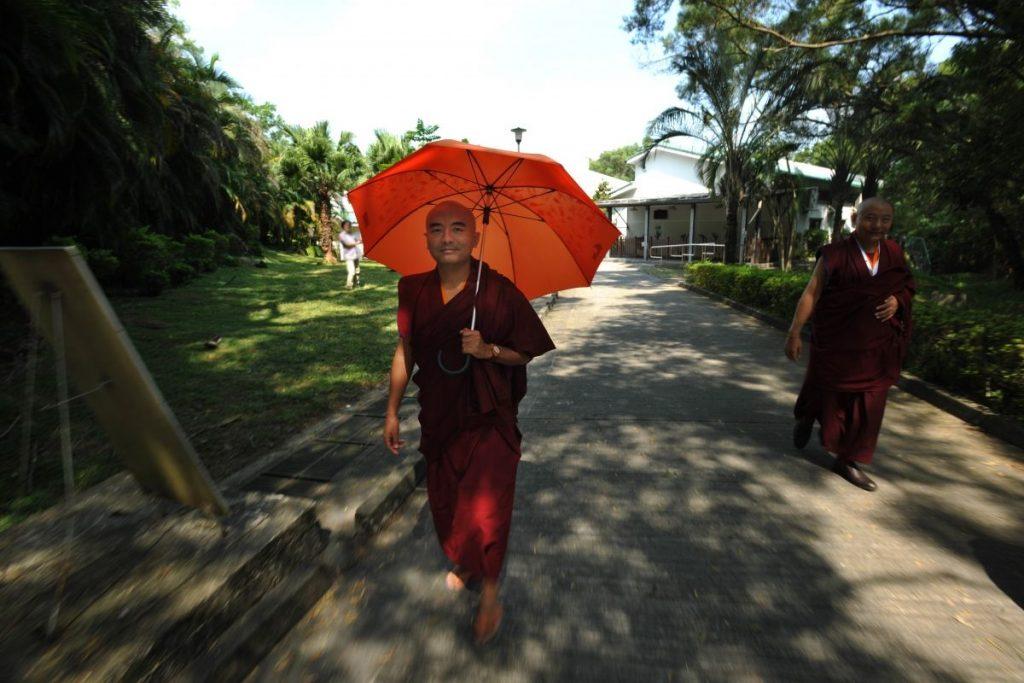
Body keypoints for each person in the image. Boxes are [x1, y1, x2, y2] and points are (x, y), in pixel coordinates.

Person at [382, 200, 555, 644]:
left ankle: (491, 593)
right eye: (437, 229)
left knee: (488, 509)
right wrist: (391, 409)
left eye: (458, 229)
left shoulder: (496, 291)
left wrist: (488, 351)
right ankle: (464, 559)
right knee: (447, 503)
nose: (447, 238)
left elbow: (526, 351)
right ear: (426, 239)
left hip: (488, 420)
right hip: (440, 419)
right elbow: (405, 351)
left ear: (475, 236)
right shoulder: (412, 289)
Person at [785, 196, 915, 491]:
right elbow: (811, 294)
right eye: (870, 218)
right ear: (855, 218)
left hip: (878, 347)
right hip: (837, 342)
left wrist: (897, 300)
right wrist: (794, 332)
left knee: (870, 404)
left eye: (885, 219)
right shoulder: (834, 254)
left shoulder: (894, 252)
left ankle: (848, 460)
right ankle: (808, 416)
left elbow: (906, 286)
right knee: (826, 391)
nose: (877, 225)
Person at [339, 219, 362, 288]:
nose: (349, 226)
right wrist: (357, 243)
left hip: (356, 255)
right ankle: (349, 285)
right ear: (343, 226)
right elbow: (346, 245)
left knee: (357, 271)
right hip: (349, 256)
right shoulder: (341, 235)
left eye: (350, 225)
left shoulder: (352, 234)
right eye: (347, 225)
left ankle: (356, 284)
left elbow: (358, 240)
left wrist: (360, 240)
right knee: (352, 271)